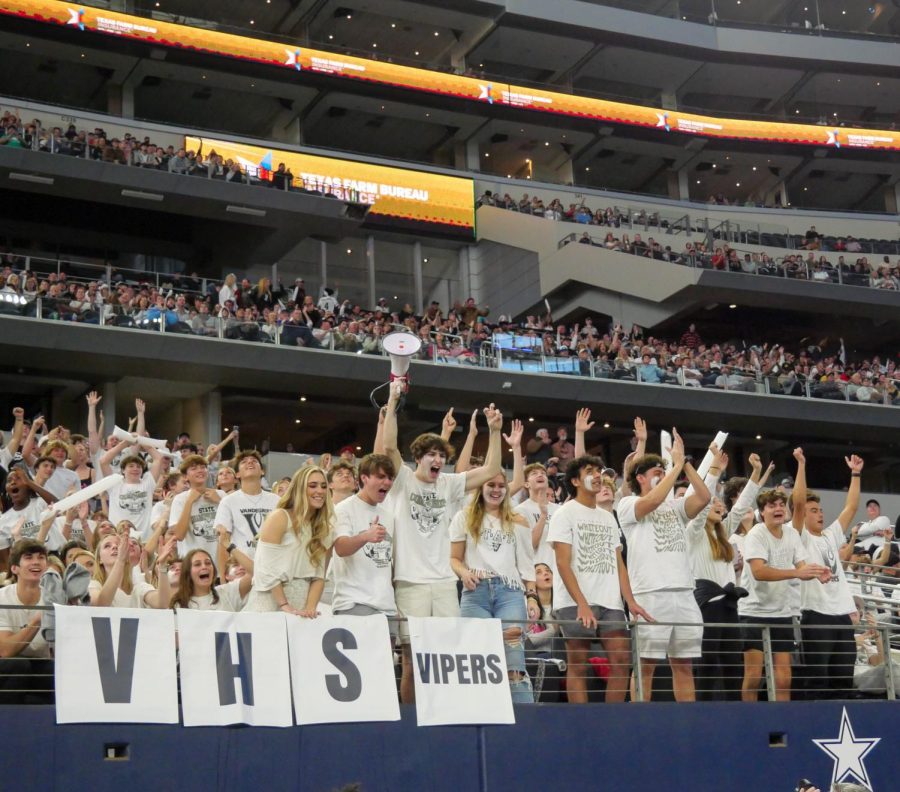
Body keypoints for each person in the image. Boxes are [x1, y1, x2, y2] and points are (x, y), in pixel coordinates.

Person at [381, 379, 504, 704]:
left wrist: (493, 431)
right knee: (411, 658)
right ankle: (410, 718)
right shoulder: (402, 480)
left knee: (445, 655)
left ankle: (443, 712)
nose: (437, 460)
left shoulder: (449, 484)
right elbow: (389, 448)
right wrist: (393, 402)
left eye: (441, 455)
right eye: (431, 454)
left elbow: (491, 468)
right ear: (418, 457)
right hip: (410, 582)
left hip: (445, 584)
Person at [616, 429, 712, 702]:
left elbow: (703, 497)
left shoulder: (675, 506)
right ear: (640, 479)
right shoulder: (628, 504)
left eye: (663, 470)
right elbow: (654, 499)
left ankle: (687, 721)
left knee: (683, 664)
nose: (661, 474)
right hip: (650, 593)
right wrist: (676, 466)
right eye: (655, 471)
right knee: (646, 665)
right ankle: (640, 720)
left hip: (683, 592)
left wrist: (687, 464)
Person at [550, 455, 651, 703]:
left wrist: (630, 600)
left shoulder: (608, 517)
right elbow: (563, 563)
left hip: (611, 603)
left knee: (621, 661)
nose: (597, 475)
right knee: (579, 664)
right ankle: (582, 724)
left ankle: (611, 724)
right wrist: (582, 603)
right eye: (589, 471)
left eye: (598, 470)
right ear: (574, 480)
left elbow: (619, 563)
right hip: (574, 602)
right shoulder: (564, 514)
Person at [738, 449, 831, 702]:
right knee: (754, 676)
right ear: (763, 511)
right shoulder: (756, 533)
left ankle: (782, 720)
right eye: (772, 505)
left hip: (782, 612)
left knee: (783, 676)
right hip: (753, 612)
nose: (779, 508)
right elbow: (759, 572)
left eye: (781, 505)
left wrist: (816, 572)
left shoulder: (791, 535)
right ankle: (750, 721)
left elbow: (802, 565)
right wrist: (798, 572)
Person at [689, 453, 773, 701]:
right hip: (707, 607)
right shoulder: (692, 533)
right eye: (712, 502)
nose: (718, 505)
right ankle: (703, 714)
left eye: (719, 502)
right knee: (706, 665)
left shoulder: (723, 533)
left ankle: (735, 715)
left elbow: (741, 506)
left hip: (729, 607)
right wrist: (714, 471)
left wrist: (756, 473)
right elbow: (702, 506)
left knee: (732, 666)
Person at [450, 469, 535, 703]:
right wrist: (464, 573)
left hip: (510, 593)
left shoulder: (519, 520)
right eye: (491, 485)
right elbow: (454, 558)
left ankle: (524, 722)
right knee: (476, 660)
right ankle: (479, 716)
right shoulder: (464, 517)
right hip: (475, 592)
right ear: (480, 487)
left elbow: (527, 566)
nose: (496, 490)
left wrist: (531, 597)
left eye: (501, 485)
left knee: (514, 662)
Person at [795, 453, 863, 699]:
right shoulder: (800, 536)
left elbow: (851, 507)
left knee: (844, 678)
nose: (820, 514)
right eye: (813, 510)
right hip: (816, 614)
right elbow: (798, 501)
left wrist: (855, 473)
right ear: (804, 514)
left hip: (842, 615)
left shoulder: (831, 535)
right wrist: (802, 465)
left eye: (821, 509)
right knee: (818, 679)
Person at [244, 465, 334, 616]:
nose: (320, 491)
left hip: (302, 607)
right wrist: (284, 605)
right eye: (313, 485)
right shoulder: (279, 517)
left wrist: (310, 609)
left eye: (324, 486)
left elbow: (319, 576)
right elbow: (267, 568)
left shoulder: (323, 527)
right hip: (269, 602)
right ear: (299, 489)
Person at [332, 454, 397, 632]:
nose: (387, 482)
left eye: (390, 478)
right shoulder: (343, 509)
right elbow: (341, 548)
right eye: (381, 477)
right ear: (364, 478)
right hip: (354, 603)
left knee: (388, 660)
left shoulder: (388, 514)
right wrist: (365, 536)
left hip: (387, 605)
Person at [0, 540, 54, 703]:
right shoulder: (2, 597)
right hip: (8, 666)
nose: (36, 561)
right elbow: (5, 651)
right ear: (14, 568)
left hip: (38, 665)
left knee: (55, 671)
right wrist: (38, 619)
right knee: (18, 665)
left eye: (41, 557)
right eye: (28, 557)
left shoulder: (53, 597)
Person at [213, 450, 279, 571]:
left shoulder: (277, 501)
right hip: (240, 570)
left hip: (272, 568)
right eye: (244, 462)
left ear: (262, 471)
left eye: (254, 461)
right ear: (237, 474)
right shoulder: (228, 501)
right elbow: (223, 543)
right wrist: (223, 579)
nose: (250, 462)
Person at [89, 532, 175, 608]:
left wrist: (163, 566)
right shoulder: (94, 585)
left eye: (118, 545)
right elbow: (100, 604)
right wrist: (120, 561)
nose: (114, 547)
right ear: (99, 559)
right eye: (107, 546)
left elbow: (162, 603)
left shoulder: (138, 588)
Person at [0, 466, 60, 571]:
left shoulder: (40, 503)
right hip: (25, 566)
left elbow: (58, 505)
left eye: (19, 478)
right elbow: (6, 559)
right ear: (6, 489)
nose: (13, 482)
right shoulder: (3, 520)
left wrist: (29, 482)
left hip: (53, 559)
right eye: (9, 481)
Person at [169, 454, 224, 568]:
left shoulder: (221, 495)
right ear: (185, 476)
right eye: (194, 468)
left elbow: (235, 526)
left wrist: (220, 501)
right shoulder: (180, 499)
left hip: (221, 564)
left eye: (203, 467)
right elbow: (179, 535)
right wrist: (189, 502)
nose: (200, 470)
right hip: (193, 566)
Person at [170, 547, 253, 611]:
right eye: (197, 564)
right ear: (188, 572)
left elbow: (254, 572)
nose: (204, 567)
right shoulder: (179, 604)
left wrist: (230, 547)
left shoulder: (227, 591)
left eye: (208, 563)